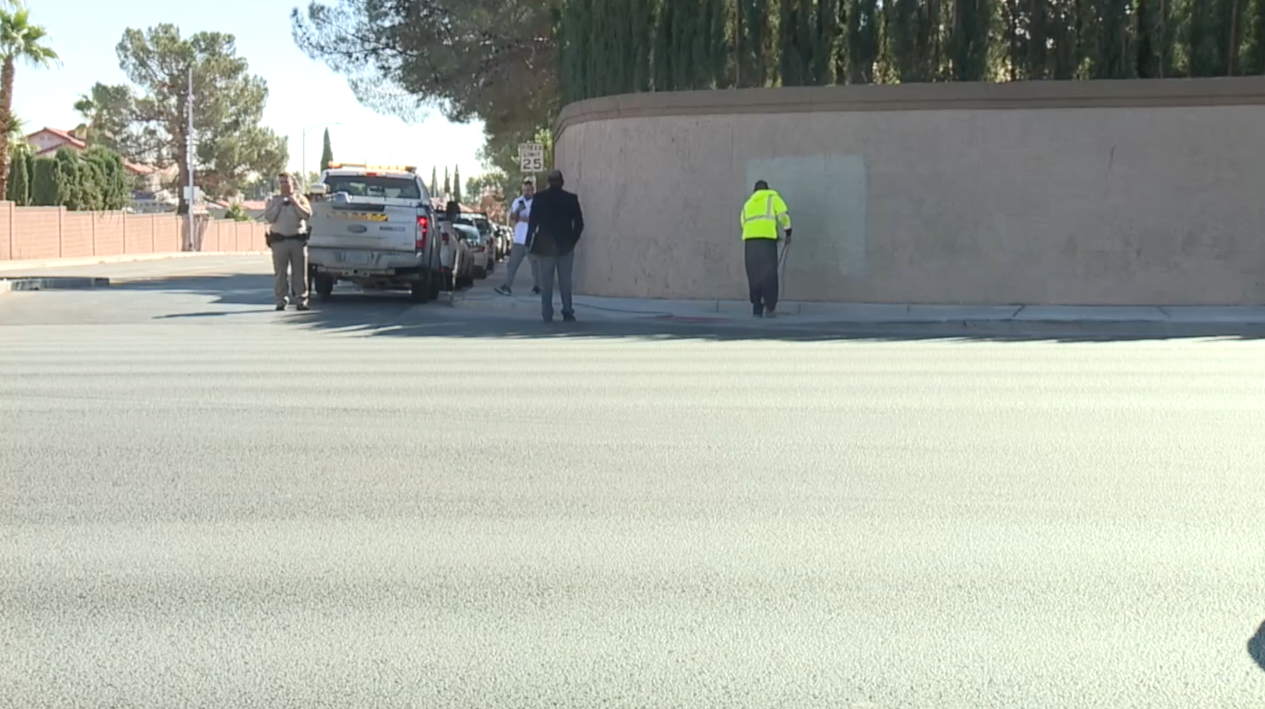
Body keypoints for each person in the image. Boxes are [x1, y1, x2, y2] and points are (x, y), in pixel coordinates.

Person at [526, 169, 584, 323]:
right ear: (562, 181)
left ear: (548, 182)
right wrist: (572, 241)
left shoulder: (539, 198)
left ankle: (546, 312)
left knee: (546, 283)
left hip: (545, 247)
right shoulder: (571, 199)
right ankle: (567, 310)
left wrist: (528, 243)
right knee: (565, 281)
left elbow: (532, 223)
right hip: (565, 246)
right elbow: (579, 224)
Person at [739, 180, 792, 318]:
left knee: (753, 274)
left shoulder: (748, 204)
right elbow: (783, 215)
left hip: (750, 243)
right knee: (769, 274)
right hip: (767, 242)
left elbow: (743, 223)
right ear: (767, 189)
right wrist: (788, 232)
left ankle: (756, 306)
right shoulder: (772, 198)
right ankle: (770, 306)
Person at [262, 172, 313, 311]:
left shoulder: (300, 198)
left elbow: (307, 215)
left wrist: (295, 202)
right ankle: (281, 300)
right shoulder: (273, 200)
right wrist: (278, 205)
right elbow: (269, 218)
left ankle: (301, 300)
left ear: (293, 183)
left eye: (286, 182)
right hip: (279, 241)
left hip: (297, 240)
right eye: (281, 182)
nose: (284, 185)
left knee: (300, 273)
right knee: (280, 273)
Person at [495, 178, 539, 296]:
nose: (526, 193)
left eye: (529, 190)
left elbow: (536, 220)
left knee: (535, 265)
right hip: (519, 239)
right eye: (524, 190)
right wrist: (519, 211)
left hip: (532, 239)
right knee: (512, 264)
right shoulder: (517, 202)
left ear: (533, 190)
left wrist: (522, 219)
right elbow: (513, 218)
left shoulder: (537, 202)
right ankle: (507, 286)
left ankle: (537, 287)